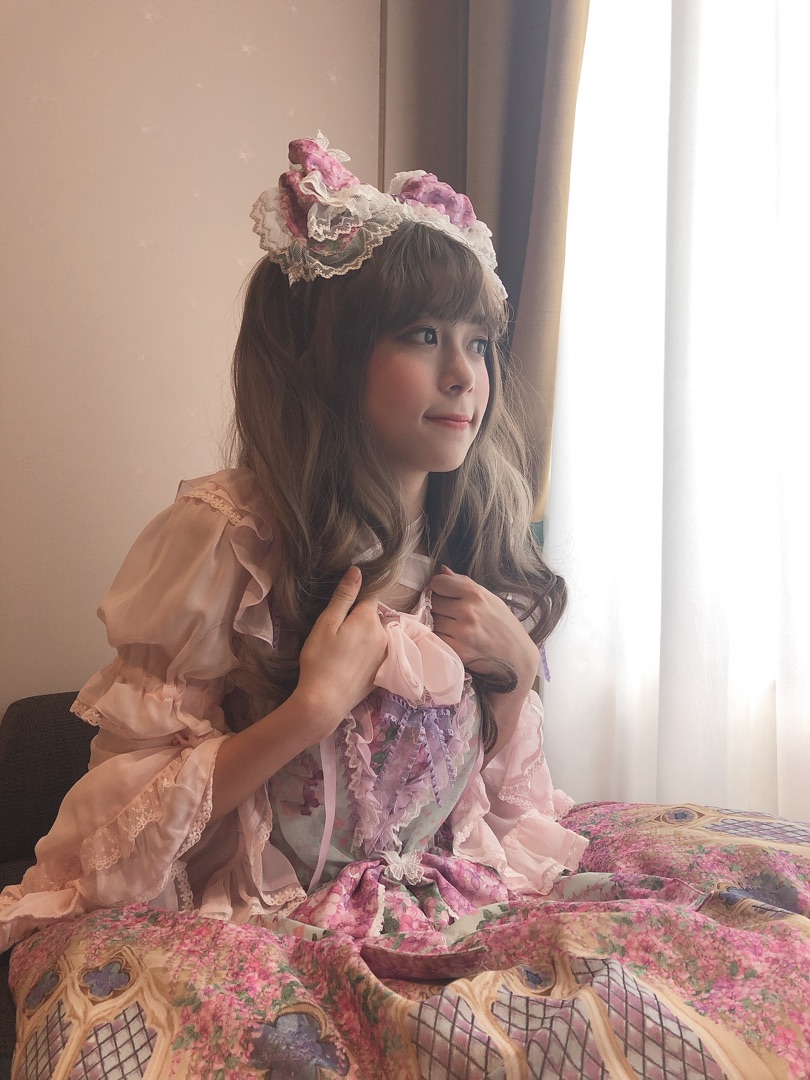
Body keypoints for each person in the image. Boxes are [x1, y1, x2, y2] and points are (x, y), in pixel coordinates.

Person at [0, 132, 585, 956]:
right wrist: (308, 712)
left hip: (442, 903)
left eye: (479, 341)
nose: (464, 374)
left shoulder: (473, 540)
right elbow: (116, 830)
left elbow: (500, 815)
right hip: (262, 925)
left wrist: (516, 674)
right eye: (423, 335)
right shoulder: (233, 538)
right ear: (329, 360)